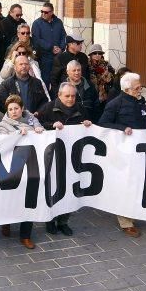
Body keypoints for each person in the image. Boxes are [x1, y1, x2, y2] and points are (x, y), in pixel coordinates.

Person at [98, 72, 146, 237]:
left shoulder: (140, 101)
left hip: (139, 151)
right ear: (127, 89)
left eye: (140, 87)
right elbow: (103, 123)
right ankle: (125, 221)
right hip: (123, 152)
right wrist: (122, 128)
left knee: (138, 183)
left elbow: (145, 117)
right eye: (137, 88)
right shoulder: (115, 104)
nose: (140, 90)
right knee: (126, 185)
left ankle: (134, 212)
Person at [37, 82, 93, 236]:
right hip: (53, 156)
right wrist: (50, 125)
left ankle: (63, 221)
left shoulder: (80, 109)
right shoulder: (48, 108)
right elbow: (36, 126)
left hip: (73, 158)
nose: (70, 99)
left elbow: (89, 126)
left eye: (73, 96)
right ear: (59, 95)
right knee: (53, 188)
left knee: (70, 190)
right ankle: (50, 220)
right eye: (67, 96)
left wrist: (88, 124)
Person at [0, 94, 44, 250]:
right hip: (14, 165)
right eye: (10, 109)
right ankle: (6, 221)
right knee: (10, 195)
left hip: (31, 163)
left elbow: (39, 128)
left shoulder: (30, 117)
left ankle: (25, 235)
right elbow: (2, 143)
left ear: (22, 108)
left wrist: (38, 129)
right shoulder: (3, 125)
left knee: (29, 197)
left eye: (16, 108)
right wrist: (16, 135)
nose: (13, 111)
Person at [31, 2, 66, 89]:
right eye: (42, 11)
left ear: (51, 12)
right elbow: (37, 39)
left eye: (46, 12)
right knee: (45, 81)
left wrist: (61, 48)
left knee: (57, 80)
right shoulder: (37, 23)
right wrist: (51, 47)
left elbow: (64, 36)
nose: (43, 14)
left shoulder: (58, 22)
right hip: (44, 57)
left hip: (58, 56)